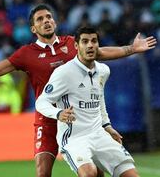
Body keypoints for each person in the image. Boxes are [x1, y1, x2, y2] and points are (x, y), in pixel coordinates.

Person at [0, 3, 156, 177]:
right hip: (47, 118)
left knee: (93, 172)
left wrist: (131, 49)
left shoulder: (71, 43)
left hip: (77, 120)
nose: (46, 21)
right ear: (33, 28)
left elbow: (101, 52)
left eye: (49, 17)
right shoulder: (26, 54)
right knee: (42, 171)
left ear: (55, 22)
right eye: (40, 19)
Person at [36, 26, 139, 177]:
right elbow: (41, 102)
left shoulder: (103, 70)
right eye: (85, 41)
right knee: (90, 173)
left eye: (94, 41)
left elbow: (99, 99)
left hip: (99, 134)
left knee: (131, 175)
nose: (90, 45)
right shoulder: (64, 73)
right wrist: (58, 113)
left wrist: (107, 125)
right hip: (74, 139)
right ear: (77, 46)